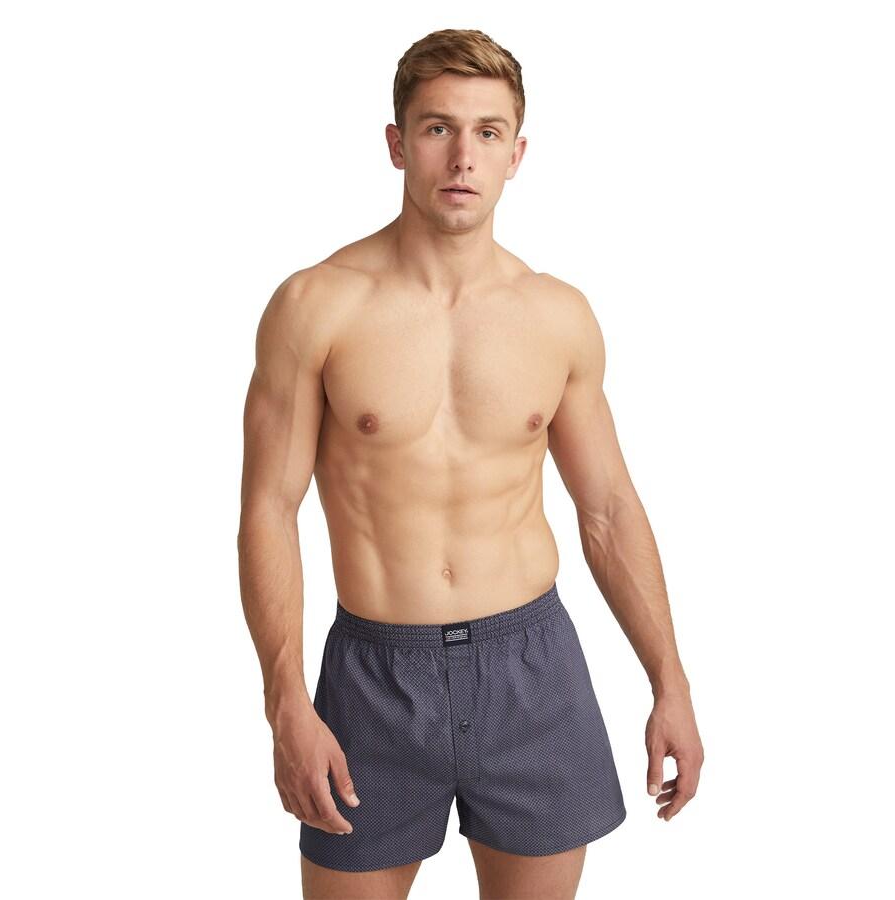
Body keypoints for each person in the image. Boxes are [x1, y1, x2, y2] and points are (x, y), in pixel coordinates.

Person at [237, 27, 703, 900]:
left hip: (532, 670)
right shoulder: (316, 306)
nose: (462, 156)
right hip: (375, 675)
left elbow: (607, 508)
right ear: (396, 144)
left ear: (516, 154)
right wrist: (284, 702)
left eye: (488, 132)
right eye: (437, 128)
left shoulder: (557, 315)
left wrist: (669, 680)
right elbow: (268, 508)